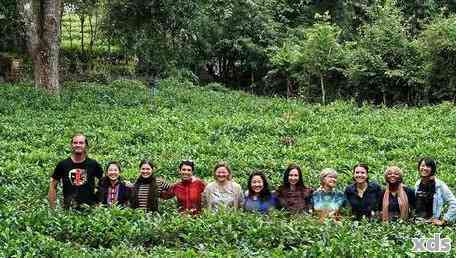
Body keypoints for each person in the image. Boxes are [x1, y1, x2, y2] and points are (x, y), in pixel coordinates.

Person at [48, 133, 103, 209]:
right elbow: (53, 185)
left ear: (86, 145)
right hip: (68, 210)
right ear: (71, 145)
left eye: (81, 143)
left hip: (89, 210)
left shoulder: (93, 164)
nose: (78, 145)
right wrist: (52, 209)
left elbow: (104, 182)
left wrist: (99, 202)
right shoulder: (63, 164)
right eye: (75, 143)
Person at [415, 157, 456, 225]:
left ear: (432, 169)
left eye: (428, 166)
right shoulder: (417, 184)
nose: (424, 168)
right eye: (422, 165)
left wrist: (445, 220)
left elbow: (454, 203)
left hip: (432, 225)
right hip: (418, 223)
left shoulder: (440, 185)